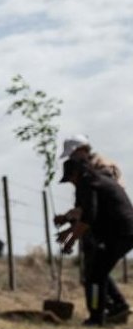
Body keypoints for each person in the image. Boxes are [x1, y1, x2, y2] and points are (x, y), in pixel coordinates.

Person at [54, 135, 128, 319]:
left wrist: (70, 237)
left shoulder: (93, 174)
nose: (71, 183)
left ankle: (99, 314)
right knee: (96, 272)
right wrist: (68, 222)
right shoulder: (88, 175)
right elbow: (86, 211)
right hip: (112, 230)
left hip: (116, 230)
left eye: (70, 179)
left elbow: (89, 214)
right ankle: (110, 309)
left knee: (95, 275)